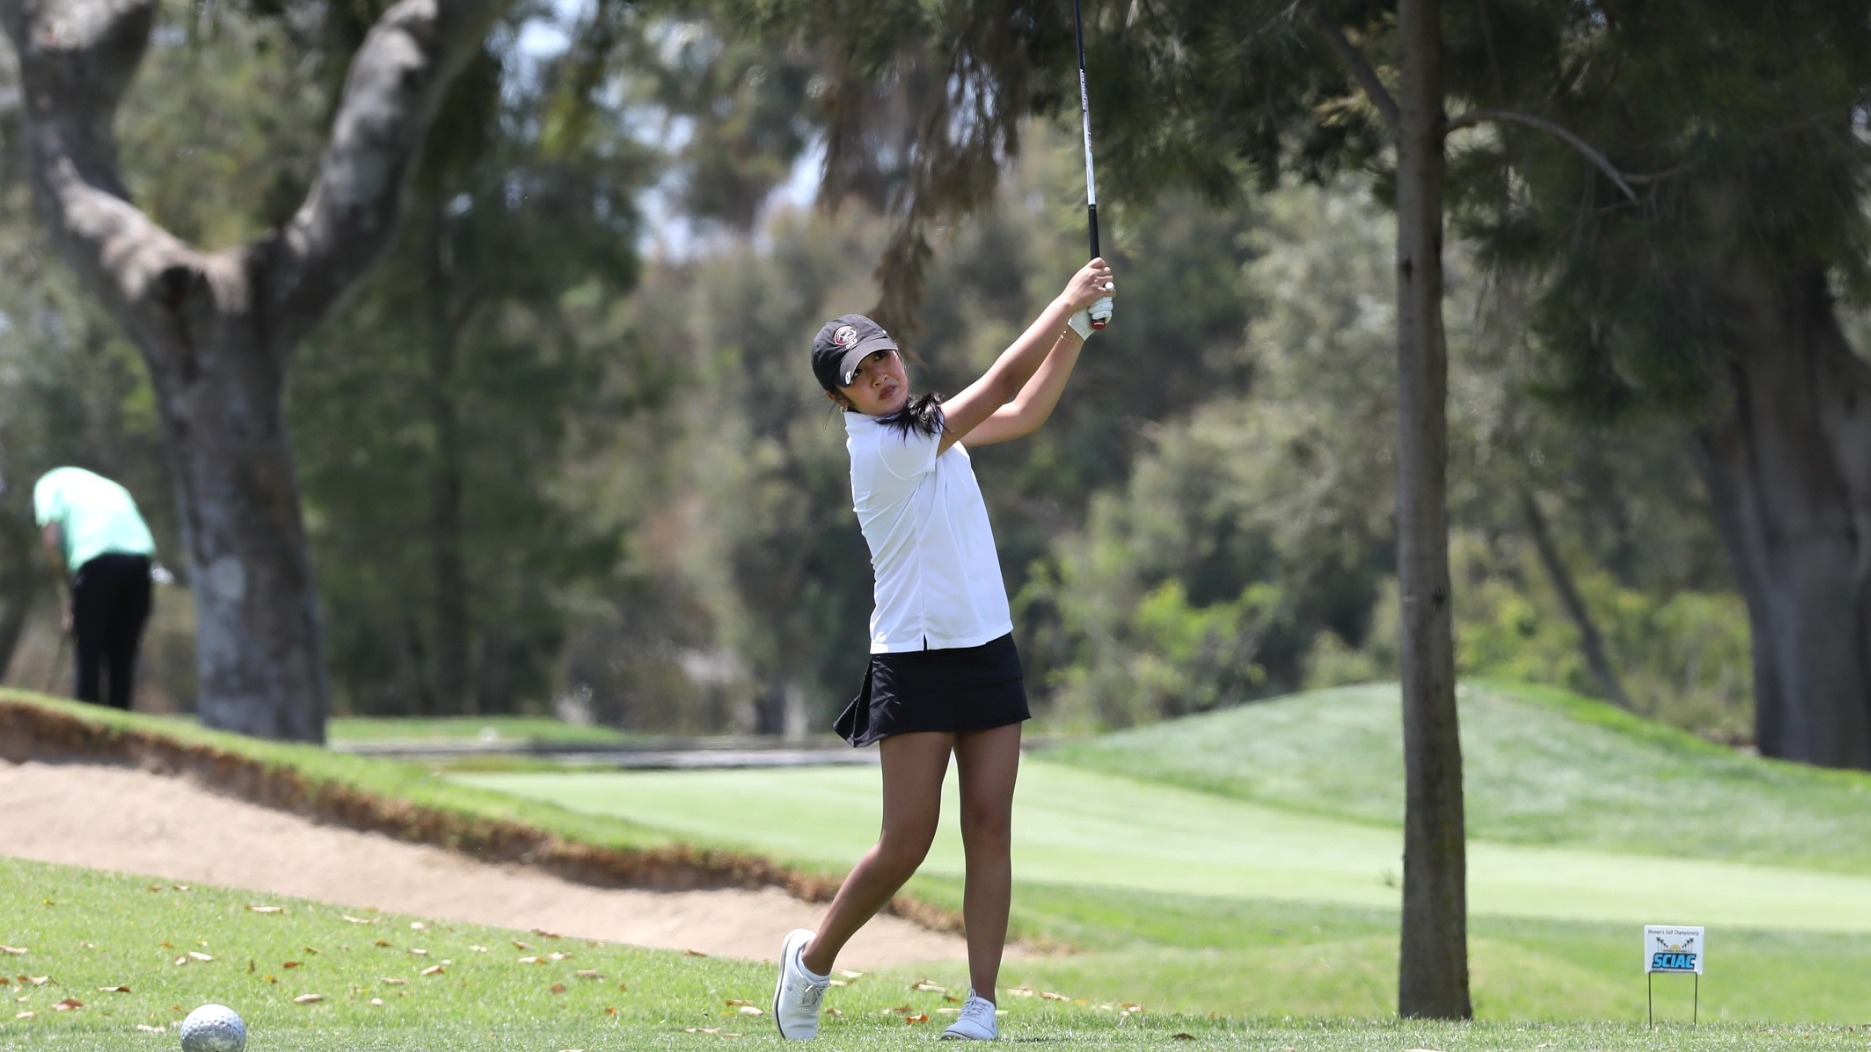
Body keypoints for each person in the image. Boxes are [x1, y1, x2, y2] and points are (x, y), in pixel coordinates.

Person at [773, 257, 1117, 1042]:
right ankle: (813, 962)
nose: (880, 373)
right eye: (860, 373)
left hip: (985, 646)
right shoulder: (882, 449)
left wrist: (1075, 332)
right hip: (915, 658)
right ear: (842, 398)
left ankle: (980, 1005)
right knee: (906, 843)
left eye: (883, 355)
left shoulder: (927, 429)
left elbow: (1023, 412)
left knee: (989, 824)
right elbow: (998, 384)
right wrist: (1064, 300)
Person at [32, 466, 158, 710]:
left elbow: (51, 538)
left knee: (88, 651)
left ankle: (86, 729)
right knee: (122, 655)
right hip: (140, 565)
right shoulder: (113, 488)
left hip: (95, 561)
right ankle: (118, 728)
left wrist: (70, 591)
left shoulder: (48, 484)